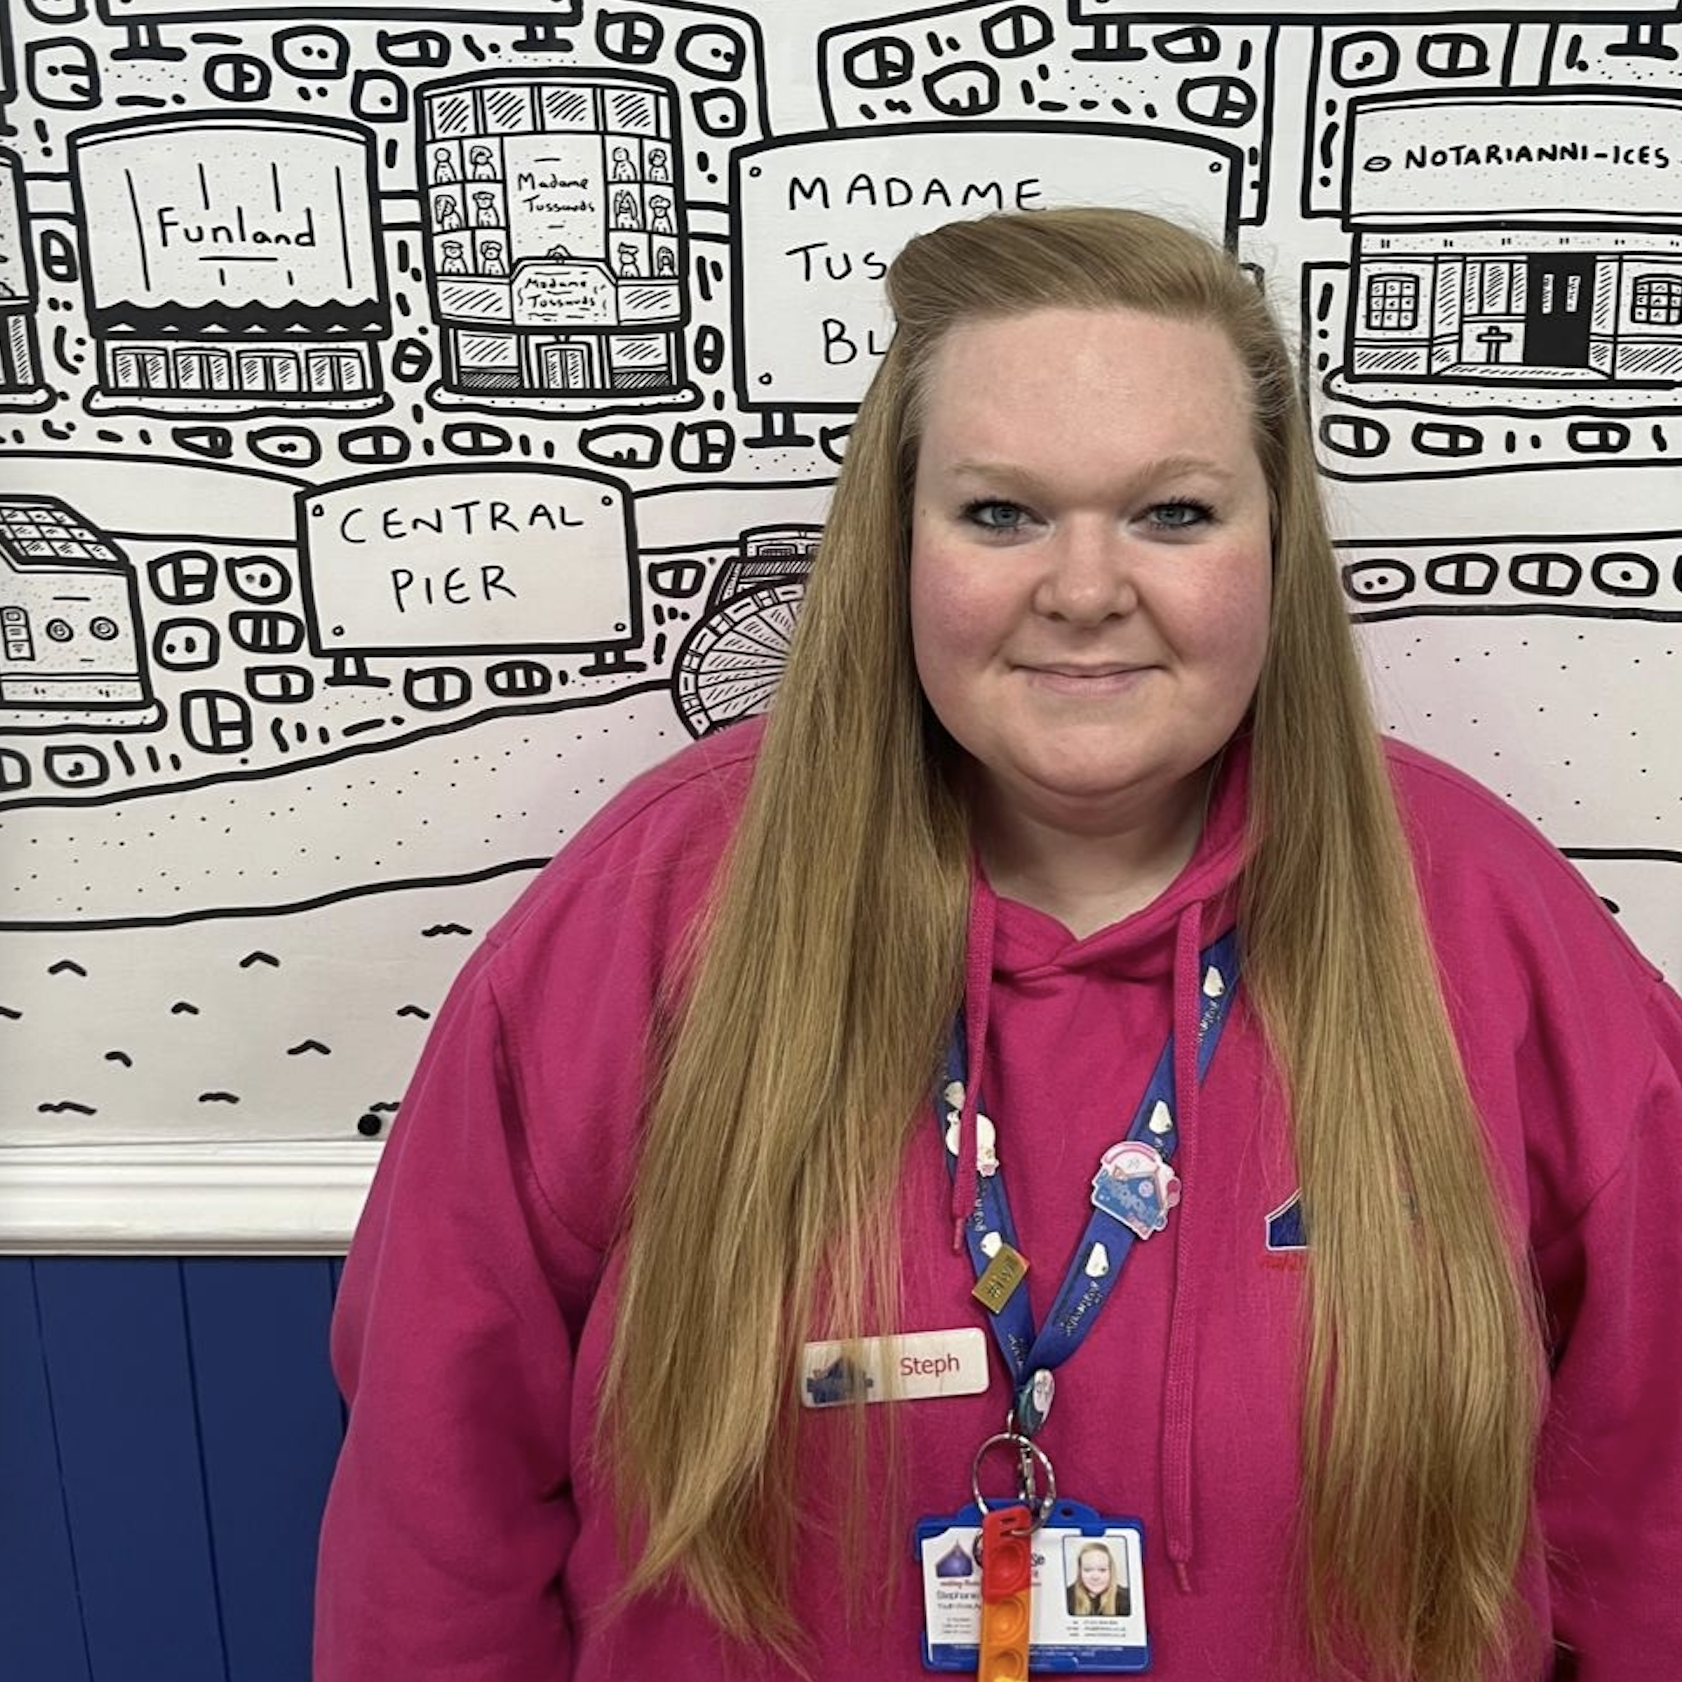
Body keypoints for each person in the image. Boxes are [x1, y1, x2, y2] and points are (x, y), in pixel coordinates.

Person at [314, 209, 1682, 1681]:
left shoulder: (1481, 916)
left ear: (1276, 546)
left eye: (1172, 513)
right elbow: (434, 1508)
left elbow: (1648, 1511)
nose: (1083, 591)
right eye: (1000, 513)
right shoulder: (653, 908)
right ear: (896, 540)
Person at [1066, 1541, 1128, 1619]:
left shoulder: (1126, 1599)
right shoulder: (1065, 1598)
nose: (1095, 1576)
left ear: (1110, 1571)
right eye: (1087, 1570)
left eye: (1102, 1570)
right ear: (1079, 1571)